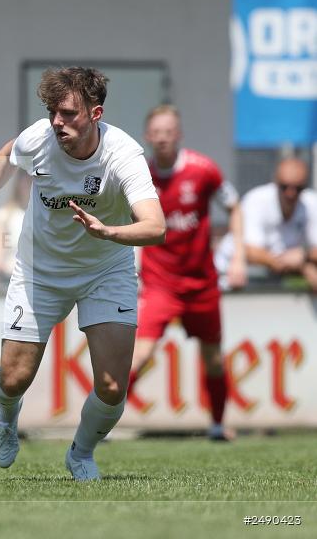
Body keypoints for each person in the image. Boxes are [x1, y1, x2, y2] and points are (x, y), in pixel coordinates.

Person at [0, 67, 165, 481]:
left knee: (113, 387)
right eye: (52, 112)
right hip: (39, 271)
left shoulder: (124, 155)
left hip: (106, 268)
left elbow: (155, 227)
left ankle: (81, 453)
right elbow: (6, 155)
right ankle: (7, 417)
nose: (56, 122)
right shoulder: (39, 139)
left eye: (68, 114)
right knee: (13, 380)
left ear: (96, 113)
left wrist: (110, 231)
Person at [129, 105, 245, 441]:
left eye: (169, 132)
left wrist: (237, 257)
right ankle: (102, 423)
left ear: (178, 135)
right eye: (157, 132)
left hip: (201, 283)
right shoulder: (139, 176)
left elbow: (234, 206)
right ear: (147, 137)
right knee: (141, 354)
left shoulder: (203, 170)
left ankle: (218, 425)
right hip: (159, 283)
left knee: (213, 359)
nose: (163, 138)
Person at [215, 157, 317, 291]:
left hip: (270, 278)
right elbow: (250, 251)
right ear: (275, 182)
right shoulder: (257, 200)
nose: (290, 194)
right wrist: (302, 266)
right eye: (284, 187)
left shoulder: (311, 203)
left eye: (297, 188)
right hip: (231, 275)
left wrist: (304, 255)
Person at [0, 170, 32, 276]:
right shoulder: (3, 216)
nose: (30, 183)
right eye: (26, 178)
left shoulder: (46, 217)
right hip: (12, 279)